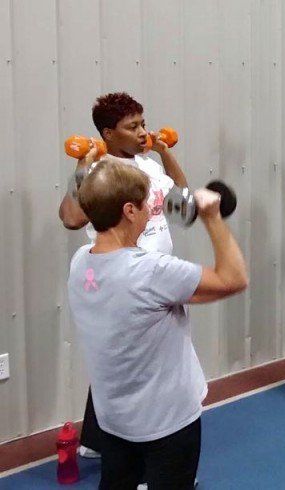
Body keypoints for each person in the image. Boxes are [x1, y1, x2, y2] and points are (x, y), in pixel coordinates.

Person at [68, 160, 247, 488]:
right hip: (168, 423)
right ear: (129, 212)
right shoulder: (152, 272)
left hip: (114, 420)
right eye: (144, 204)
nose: (153, 209)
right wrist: (212, 219)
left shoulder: (81, 262)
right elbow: (234, 278)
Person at [59, 92, 190, 459]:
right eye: (132, 127)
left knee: (128, 361)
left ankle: (100, 440)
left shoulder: (148, 165)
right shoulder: (100, 172)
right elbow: (71, 217)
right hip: (122, 279)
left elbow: (180, 197)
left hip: (155, 276)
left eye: (143, 124)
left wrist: (165, 151)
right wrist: (81, 165)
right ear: (108, 134)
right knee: (139, 366)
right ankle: (147, 459)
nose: (141, 133)